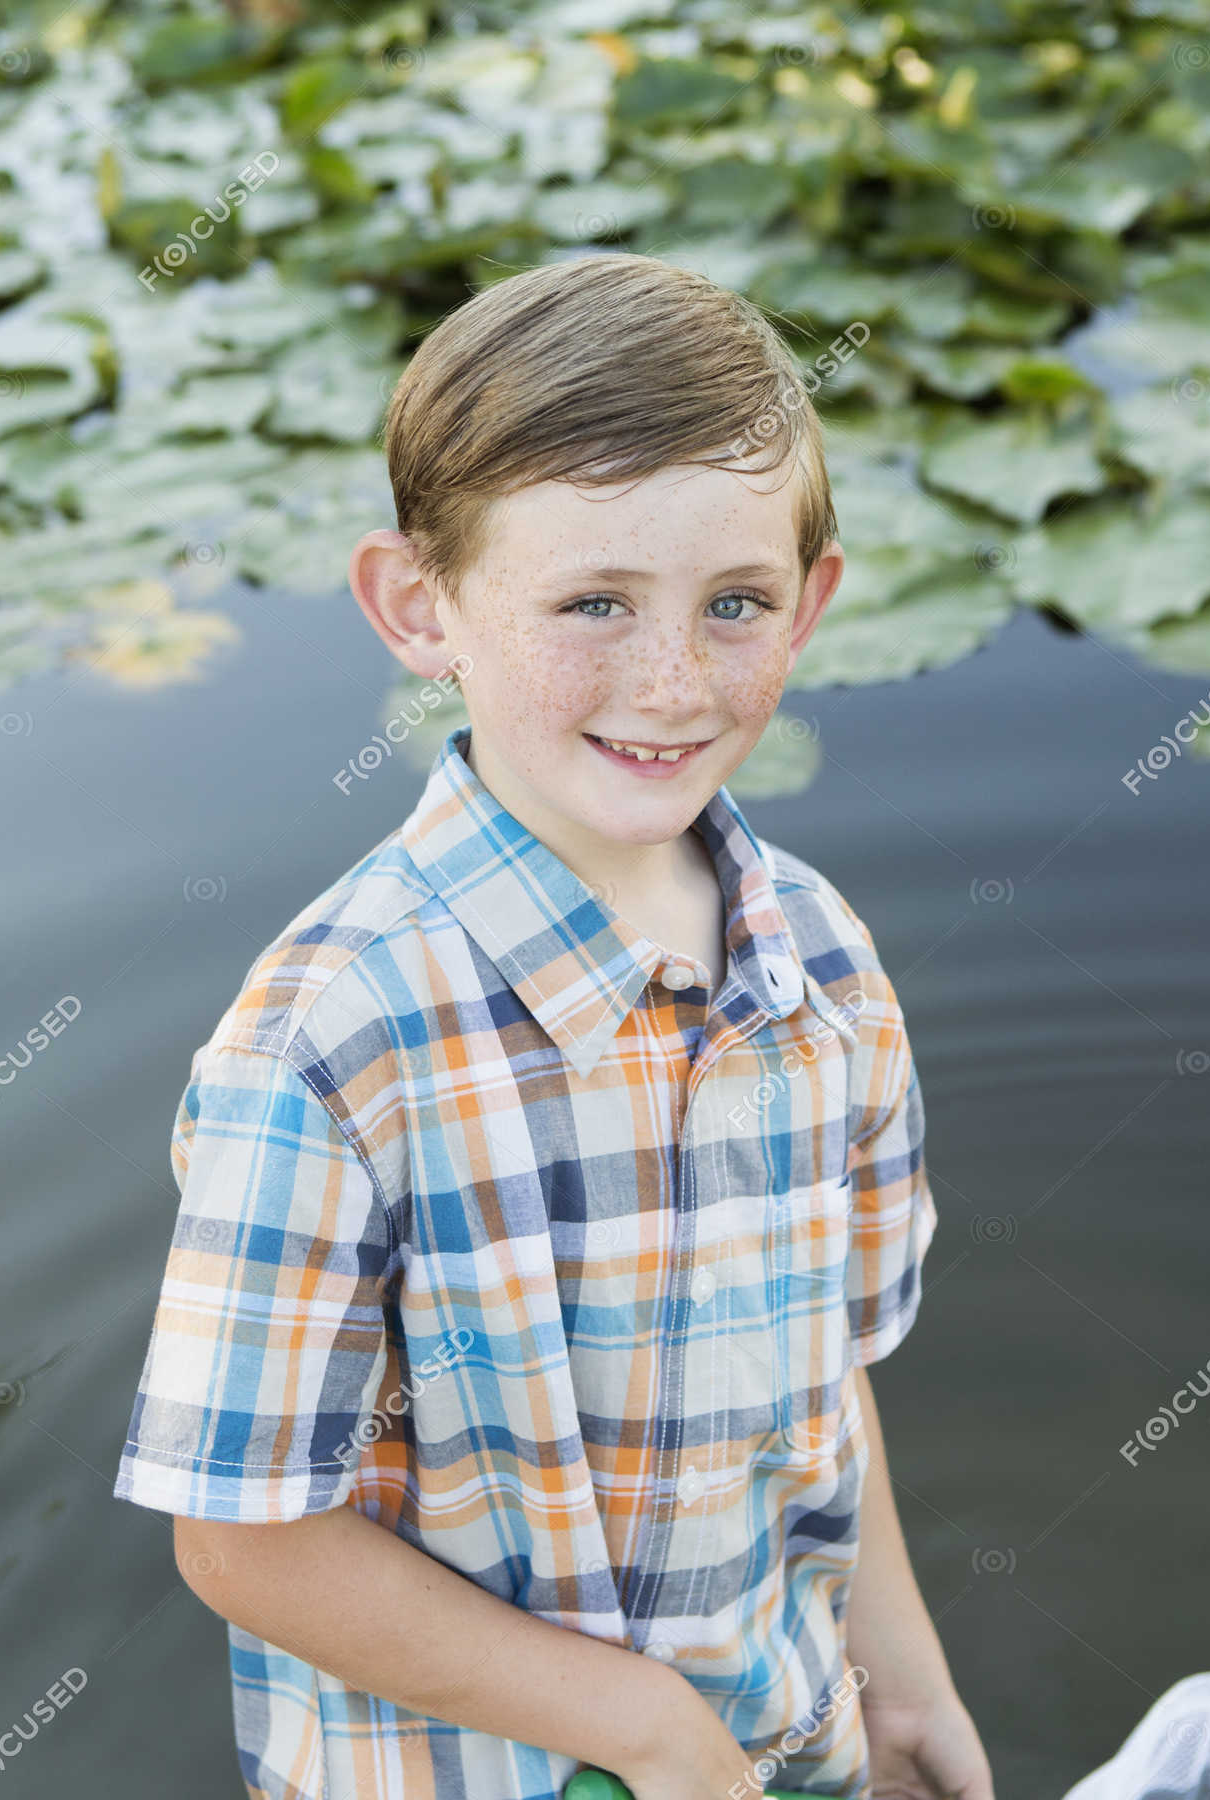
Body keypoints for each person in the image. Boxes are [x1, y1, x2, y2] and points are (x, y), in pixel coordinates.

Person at [111, 252, 989, 1800]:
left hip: (784, 1748)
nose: (670, 681)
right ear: (418, 604)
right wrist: (642, 1731)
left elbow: (825, 1376)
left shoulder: (827, 976)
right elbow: (246, 1538)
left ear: (816, 601)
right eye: (592, 601)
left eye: (737, 604)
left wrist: (895, 1664)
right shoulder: (331, 1047)